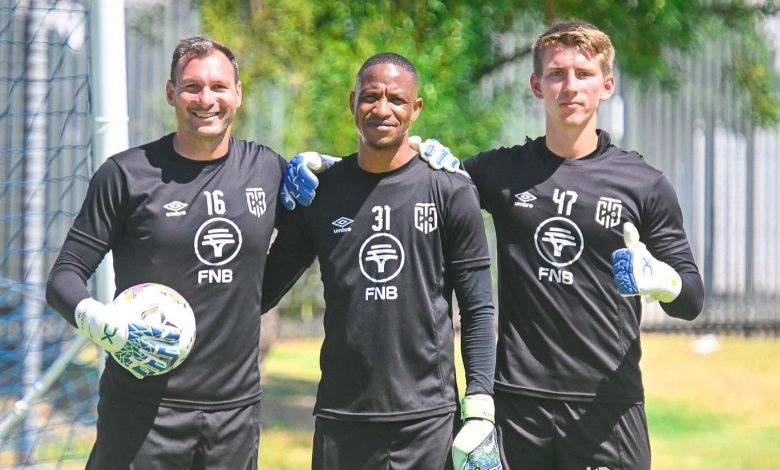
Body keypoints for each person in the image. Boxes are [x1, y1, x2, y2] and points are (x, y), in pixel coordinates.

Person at [284, 22, 705, 470]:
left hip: (607, 405)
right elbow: (408, 185)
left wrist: (664, 281)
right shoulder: (499, 172)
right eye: (557, 74)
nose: (570, 86)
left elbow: (691, 300)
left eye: (583, 74)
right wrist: (334, 172)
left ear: (607, 85)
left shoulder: (644, 184)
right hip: (517, 407)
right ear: (536, 85)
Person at [46, 37, 288, 469]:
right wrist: (101, 322)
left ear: (238, 93)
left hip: (234, 413)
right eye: (192, 86)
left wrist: (416, 153)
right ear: (171, 93)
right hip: (142, 409)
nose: (206, 99)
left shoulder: (268, 168)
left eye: (218, 86)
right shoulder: (126, 175)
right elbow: (64, 275)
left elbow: (324, 225)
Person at [261, 52, 500, 470]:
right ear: (352, 102)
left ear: (416, 108)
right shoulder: (321, 193)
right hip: (342, 419)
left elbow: (478, 309)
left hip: (428, 422)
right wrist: (276, 198)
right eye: (371, 97)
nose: (383, 109)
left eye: (397, 99)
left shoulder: (451, 191)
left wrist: (480, 405)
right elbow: (260, 290)